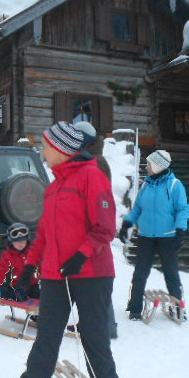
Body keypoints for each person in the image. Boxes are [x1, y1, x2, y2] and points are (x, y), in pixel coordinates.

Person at [15, 121, 120, 378]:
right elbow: (44, 235)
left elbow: (105, 228)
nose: (43, 153)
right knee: (46, 339)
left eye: (46, 147)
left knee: (95, 339)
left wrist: (82, 255)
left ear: (61, 149)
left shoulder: (92, 177)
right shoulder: (54, 187)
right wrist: (28, 268)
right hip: (56, 277)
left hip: (93, 273)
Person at [118, 150, 189, 321]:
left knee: (171, 273)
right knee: (140, 273)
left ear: (159, 166)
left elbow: (182, 209)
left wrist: (180, 230)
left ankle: (177, 308)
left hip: (168, 237)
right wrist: (127, 224)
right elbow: (137, 208)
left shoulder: (175, 185)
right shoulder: (146, 185)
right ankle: (135, 308)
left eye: (150, 164)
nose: (147, 167)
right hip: (145, 236)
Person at [72, 120, 117, 339]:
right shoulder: (90, 160)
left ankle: (107, 326)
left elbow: (97, 196)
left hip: (95, 229)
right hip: (86, 228)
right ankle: (87, 323)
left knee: (98, 277)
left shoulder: (97, 162)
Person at [0, 223, 40, 302]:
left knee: (39, 296)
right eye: (17, 241)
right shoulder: (7, 256)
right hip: (15, 286)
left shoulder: (33, 252)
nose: (20, 244)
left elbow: (42, 266)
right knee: (13, 293)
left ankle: (37, 313)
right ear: (11, 241)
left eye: (23, 241)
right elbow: (0, 272)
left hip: (33, 285)